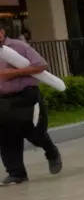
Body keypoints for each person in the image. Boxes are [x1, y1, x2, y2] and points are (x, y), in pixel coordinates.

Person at [0, 20, 62, 185]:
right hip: (3, 100)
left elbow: (41, 65)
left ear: (2, 33)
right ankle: (16, 173)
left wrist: (13, 73)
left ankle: (51, 152)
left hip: (26, 96)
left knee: (34, 131)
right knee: (6, 136)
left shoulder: (19, 47)